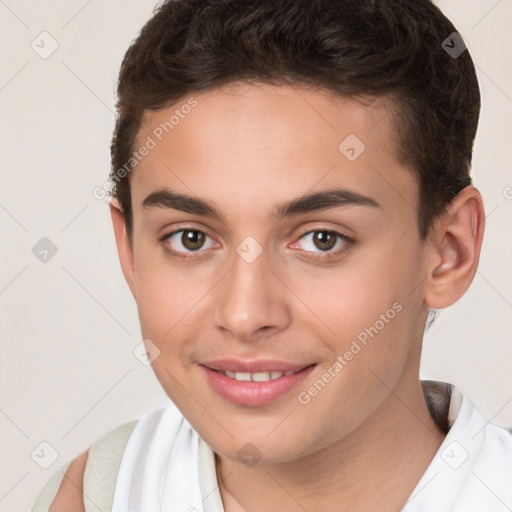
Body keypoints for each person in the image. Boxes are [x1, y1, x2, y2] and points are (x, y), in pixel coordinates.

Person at [32, 0, 512, 510]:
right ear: (129, 250)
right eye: (190, 238)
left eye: (321, 239)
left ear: (449, 251)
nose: (244, 315)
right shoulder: (92, 495)